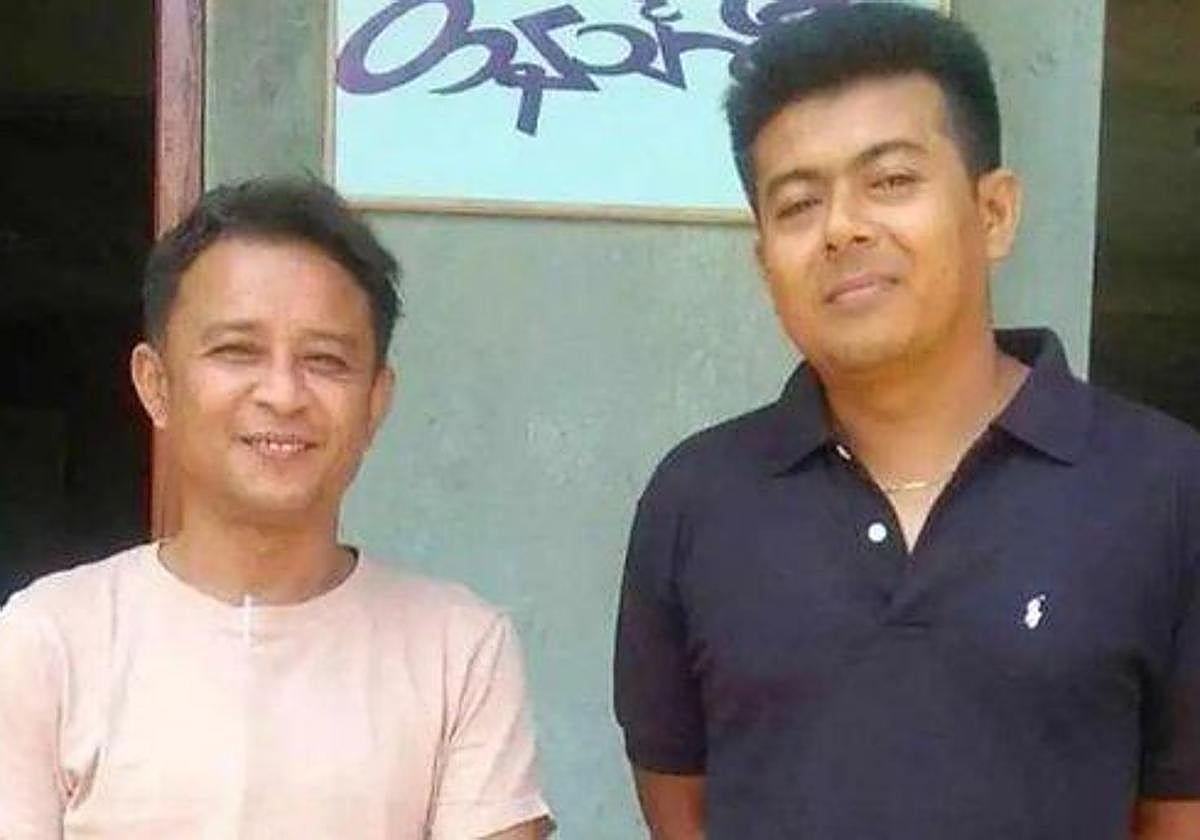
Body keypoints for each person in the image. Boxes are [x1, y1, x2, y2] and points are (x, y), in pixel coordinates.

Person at [613, 4, 1200, 838]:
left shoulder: (1164, 488)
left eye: (889, 181)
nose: (842, 227)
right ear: (765, 260)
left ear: (993, 213)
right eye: (798, 203)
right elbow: (682, 807)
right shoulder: (697, 499)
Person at [0, 178, 552, 839]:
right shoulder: (48, 641)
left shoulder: (458, 650)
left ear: (376, 401)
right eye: (237, 351)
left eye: (325, 360)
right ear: (157, 384)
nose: (283, 394)